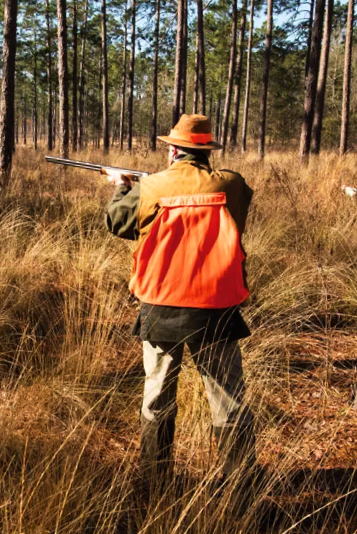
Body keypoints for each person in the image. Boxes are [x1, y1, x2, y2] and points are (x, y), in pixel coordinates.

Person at [105, 114, 256, 497]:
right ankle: (240, 487)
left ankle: (155, 484)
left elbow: (118, 224)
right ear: (206, 151)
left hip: (161, 306)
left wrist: (123, 187)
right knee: (229, 401)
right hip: (216, 309)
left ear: (173, 150)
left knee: (157, 398)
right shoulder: (232, 184)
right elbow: (236, 207)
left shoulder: (152, 186)